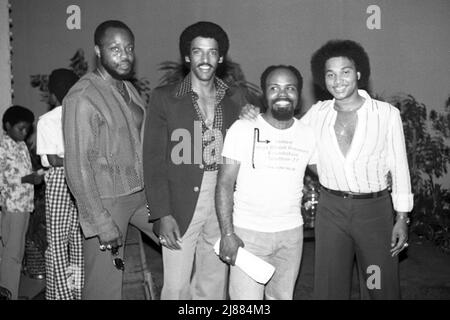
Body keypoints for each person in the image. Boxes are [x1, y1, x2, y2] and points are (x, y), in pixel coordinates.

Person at [241, 40, 413, 299]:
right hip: (331, 210)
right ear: (324, 79)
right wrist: (252, 113)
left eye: (345, 71)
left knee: (379, 284)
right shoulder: (318, 114)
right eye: (330, 74)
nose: (338, 80)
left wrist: (401, 217)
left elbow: (400, 167)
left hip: (374, 211)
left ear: (358, 73)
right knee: (330, 285)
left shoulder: (386, 114)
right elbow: (285, 131)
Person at [143, 21, 250, 300]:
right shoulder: (165, 98)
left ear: (221, 57)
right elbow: (152, 159)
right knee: (176, 287)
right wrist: (161, 214)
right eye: (198, 52)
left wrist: (252, 116)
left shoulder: (233, 99)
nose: (205, 59)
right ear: (187, 56)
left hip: (222, 197)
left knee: (213, 283)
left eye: (212, 52)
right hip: (179, 203)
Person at [63, 20, 156, 300]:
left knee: (179, 241)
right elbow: (78, 167)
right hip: (107, 201)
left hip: (141, 195)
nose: (124, 54)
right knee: (106, 287)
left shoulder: (128, 88)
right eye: (114, 48)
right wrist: (100, 222)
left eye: (129, 48)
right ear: (98, 51)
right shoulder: (82, 97)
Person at [216, 65, 315, 299]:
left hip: (291, 236)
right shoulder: (242, 129)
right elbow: (224, 184)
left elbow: (331, 173)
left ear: (298, 95)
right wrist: (228, 234)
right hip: (248, 235)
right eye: (274, 88)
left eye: (290, 88)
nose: (282, 94)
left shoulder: (308, 134)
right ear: (264, 93)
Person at [36, 68, 83, 300]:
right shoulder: (81, 115)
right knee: (77, 241)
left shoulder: (47, 120)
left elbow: (53, 160)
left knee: (56, 244)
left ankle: (60, 294)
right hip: (81, 179)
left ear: (54, 94)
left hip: (58, 181)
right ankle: (76, 289)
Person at [0, 105, 43, 300]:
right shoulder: (3, 146)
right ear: (8, 126)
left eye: (27, 129)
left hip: (24, 204)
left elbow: (23, 170)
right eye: (20, 128)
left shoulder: (21, 145)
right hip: (12, 206)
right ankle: (10, 294)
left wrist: (35, 176)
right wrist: (28, 179)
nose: (24, 133)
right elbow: (5, 179)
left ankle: (7, 291)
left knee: (13, 250)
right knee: (13, 254)